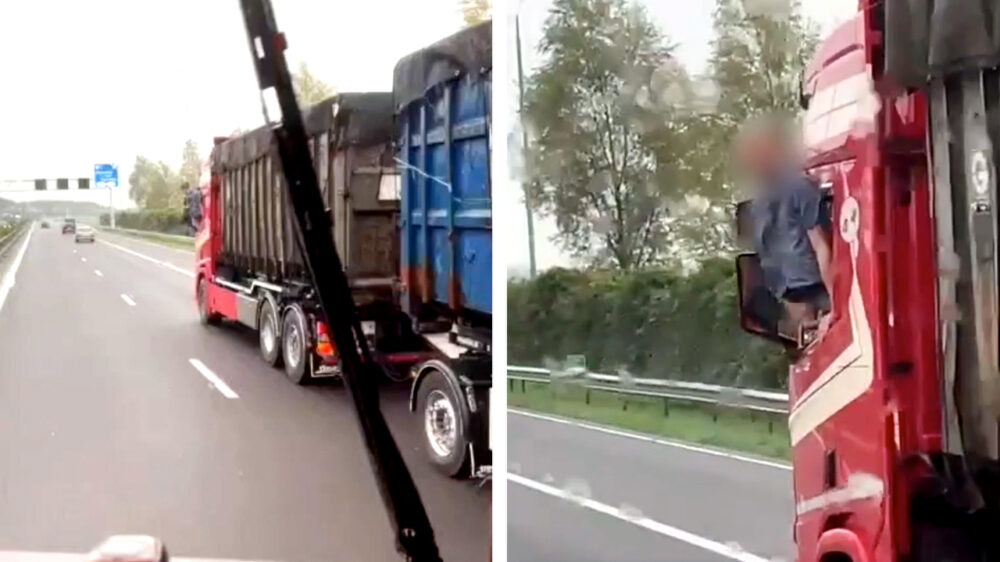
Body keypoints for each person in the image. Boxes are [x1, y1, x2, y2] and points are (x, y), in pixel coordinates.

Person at [734, 115, 833, 340]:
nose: (755, 161)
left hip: (818, 290)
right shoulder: (759, 203)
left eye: (761, 152)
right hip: (792, 297)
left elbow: (821, 246)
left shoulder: (800, 186)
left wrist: (835, 305)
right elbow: (767, 259)